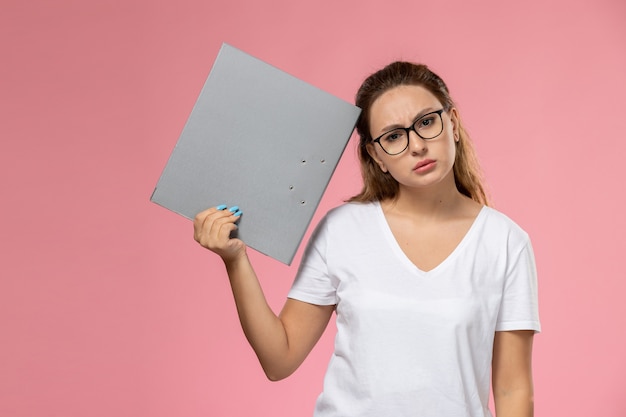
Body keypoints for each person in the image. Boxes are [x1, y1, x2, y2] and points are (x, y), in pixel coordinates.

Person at [193, 61, 541, 417]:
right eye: (393, 136)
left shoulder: (505, 242)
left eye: (426, 122)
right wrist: (235, 260)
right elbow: (278, 360)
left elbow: (512, 390)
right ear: (377, 156)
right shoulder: (341, 230)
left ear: (452, 123)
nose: (416, 146)